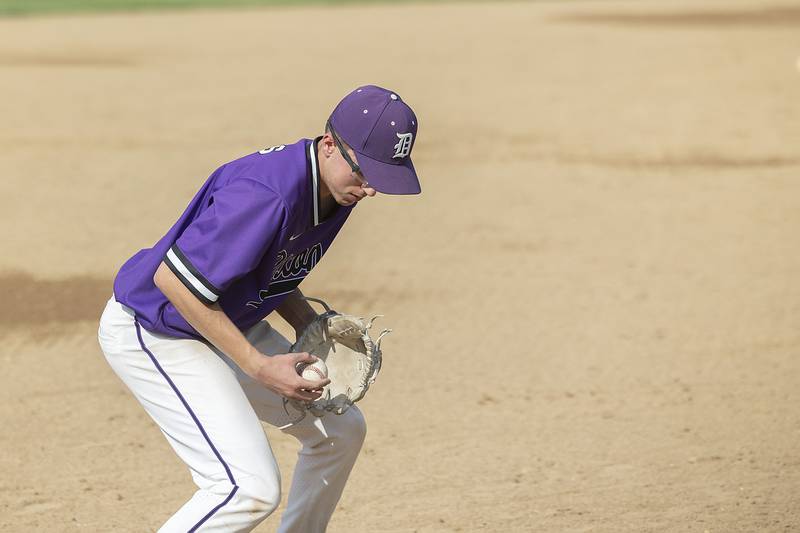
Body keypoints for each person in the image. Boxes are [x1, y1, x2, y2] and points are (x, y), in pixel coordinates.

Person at [97, 85, 421, 532]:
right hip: (159, 329)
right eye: (367, 173)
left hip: (222, 320)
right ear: (330, 144)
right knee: (245, 489)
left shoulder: (334, 185)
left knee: (341, 433)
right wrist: (259, 366)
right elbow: (172, 281)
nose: (370, 189)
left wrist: (310, 323)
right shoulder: (265, 193)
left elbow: (264, 266)